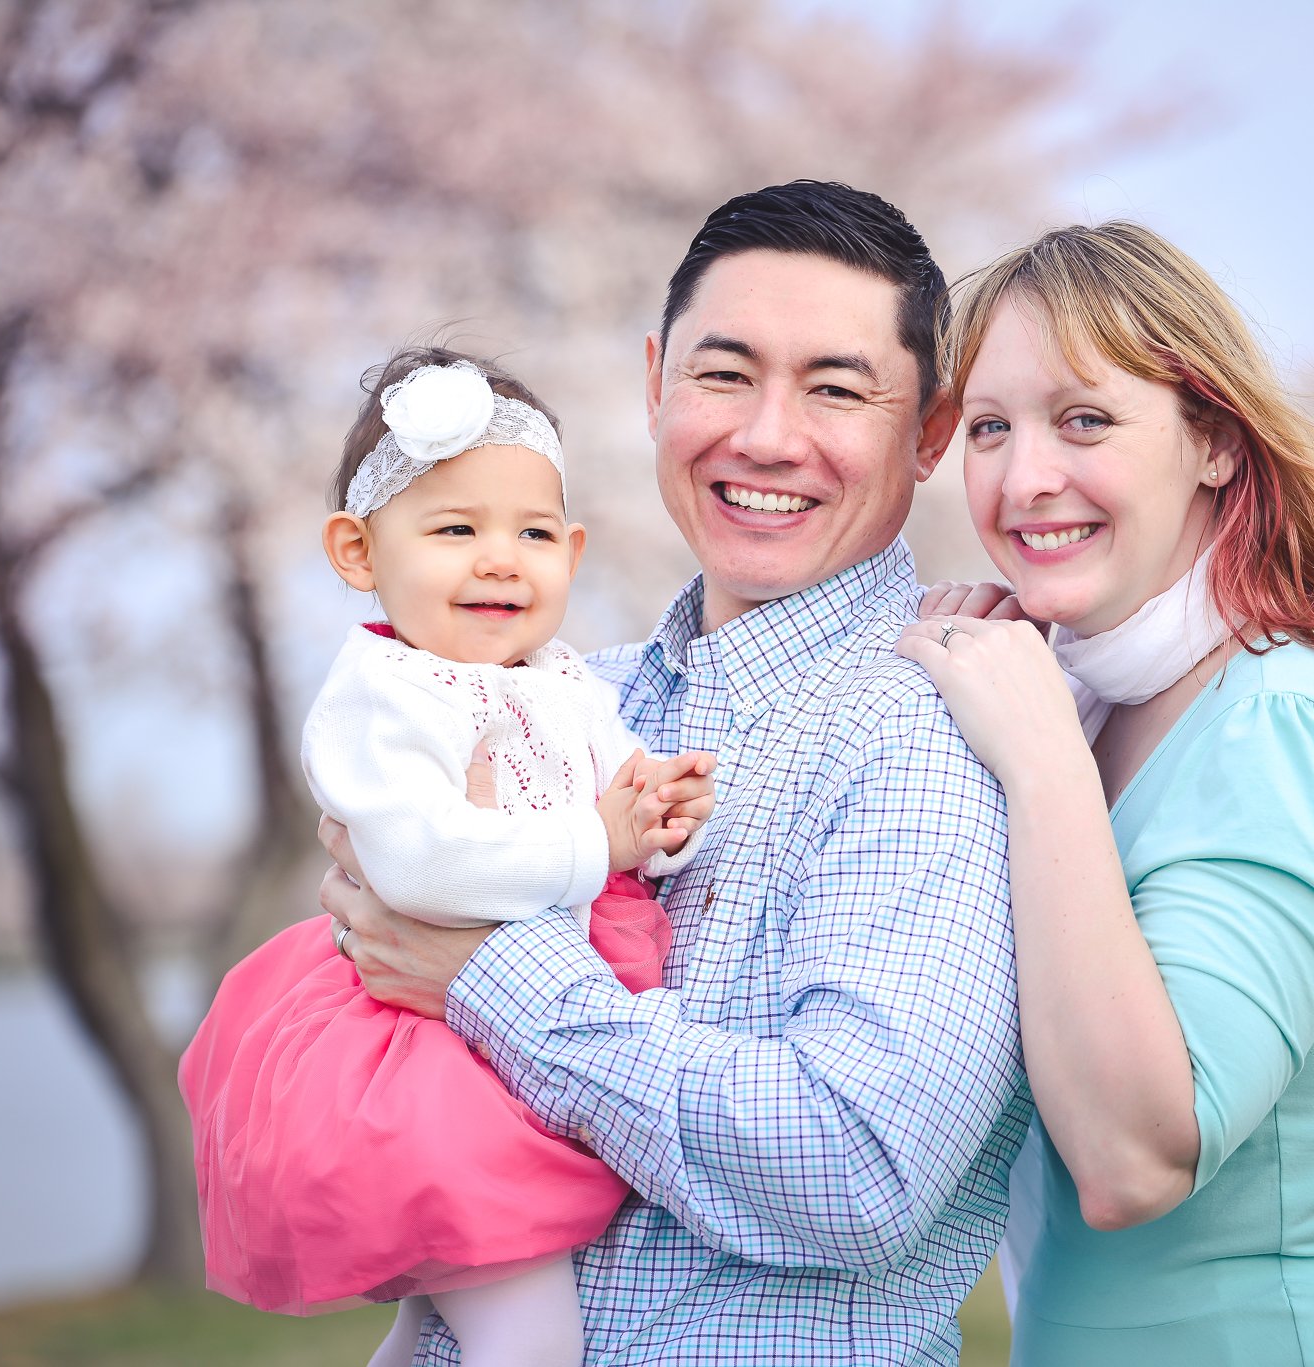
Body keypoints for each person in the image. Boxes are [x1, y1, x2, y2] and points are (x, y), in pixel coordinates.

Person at [318, 182, 1029, 1365]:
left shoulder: (930, 729)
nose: (763, 436)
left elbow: (856, 1164)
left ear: (930, 430)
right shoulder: (570, 694)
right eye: (723, 372)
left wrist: (492, 973)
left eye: (837, 389)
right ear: (654, 382)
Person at [898, 222, 1314, 1365]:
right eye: (987, 428)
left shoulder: (1288, 723)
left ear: (1212, 439)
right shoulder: (1096, 698)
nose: (1024, 479)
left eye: (1084, 419)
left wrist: (1037, 762)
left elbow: (1132, 1158)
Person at [178, 348, 717, 1367]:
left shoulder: (557, 679)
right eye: (456, 528)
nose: (501, 557)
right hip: (420, 1056)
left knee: (436, 1319)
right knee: (530, 1333)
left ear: (573, 548)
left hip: (499, 1040)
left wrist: (659, 802)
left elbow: (612, 784)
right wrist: (594, 838)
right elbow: (422, 863)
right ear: (356, 550)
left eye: (531, 532)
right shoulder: (386, 697)